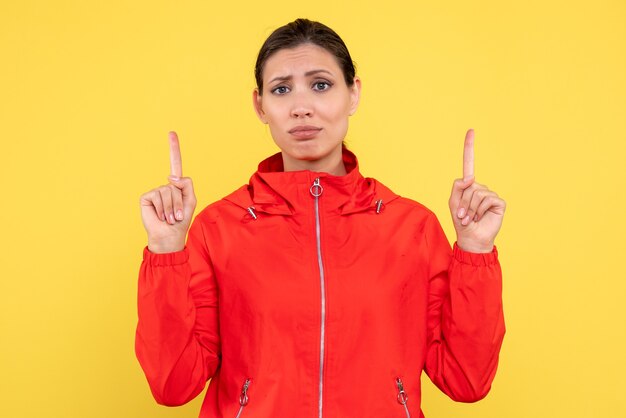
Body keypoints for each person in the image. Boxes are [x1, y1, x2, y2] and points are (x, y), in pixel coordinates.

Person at [136, 18, 506, 418]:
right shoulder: (218, 228)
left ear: (353, 94)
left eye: (321, 84)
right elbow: (174, 386)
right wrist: (165, 251)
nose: (301, 107)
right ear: (260, 105)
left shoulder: (411, 228)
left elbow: (466, 381)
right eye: (281, 89)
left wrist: (475, 250)